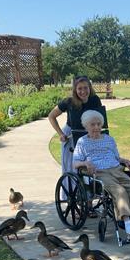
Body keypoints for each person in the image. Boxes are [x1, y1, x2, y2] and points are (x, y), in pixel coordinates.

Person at [73, 110, 130, 242]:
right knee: (120, 192)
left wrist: (125, 161)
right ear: (86, 126)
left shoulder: (109, 139)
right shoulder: (82, 142)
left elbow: (116, 157)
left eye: (99, 124)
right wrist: (85, 163)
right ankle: (129, 229)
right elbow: (75, 163)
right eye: (92, 124)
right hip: (99, 173)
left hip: (117, 169)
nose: (96, 127)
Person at [48, 76, 106, 204]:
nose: (83, 91)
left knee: (89, 169)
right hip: (72, 136)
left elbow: (99, 119)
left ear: (89, 88)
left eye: (85, 88)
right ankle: (74, 199)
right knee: (72, 169)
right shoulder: (68, 102)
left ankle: (89, 203)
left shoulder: (95, 100)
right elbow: (51, 116)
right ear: (75, 89)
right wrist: (61, 134)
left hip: (89, 136)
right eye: (79, 88)